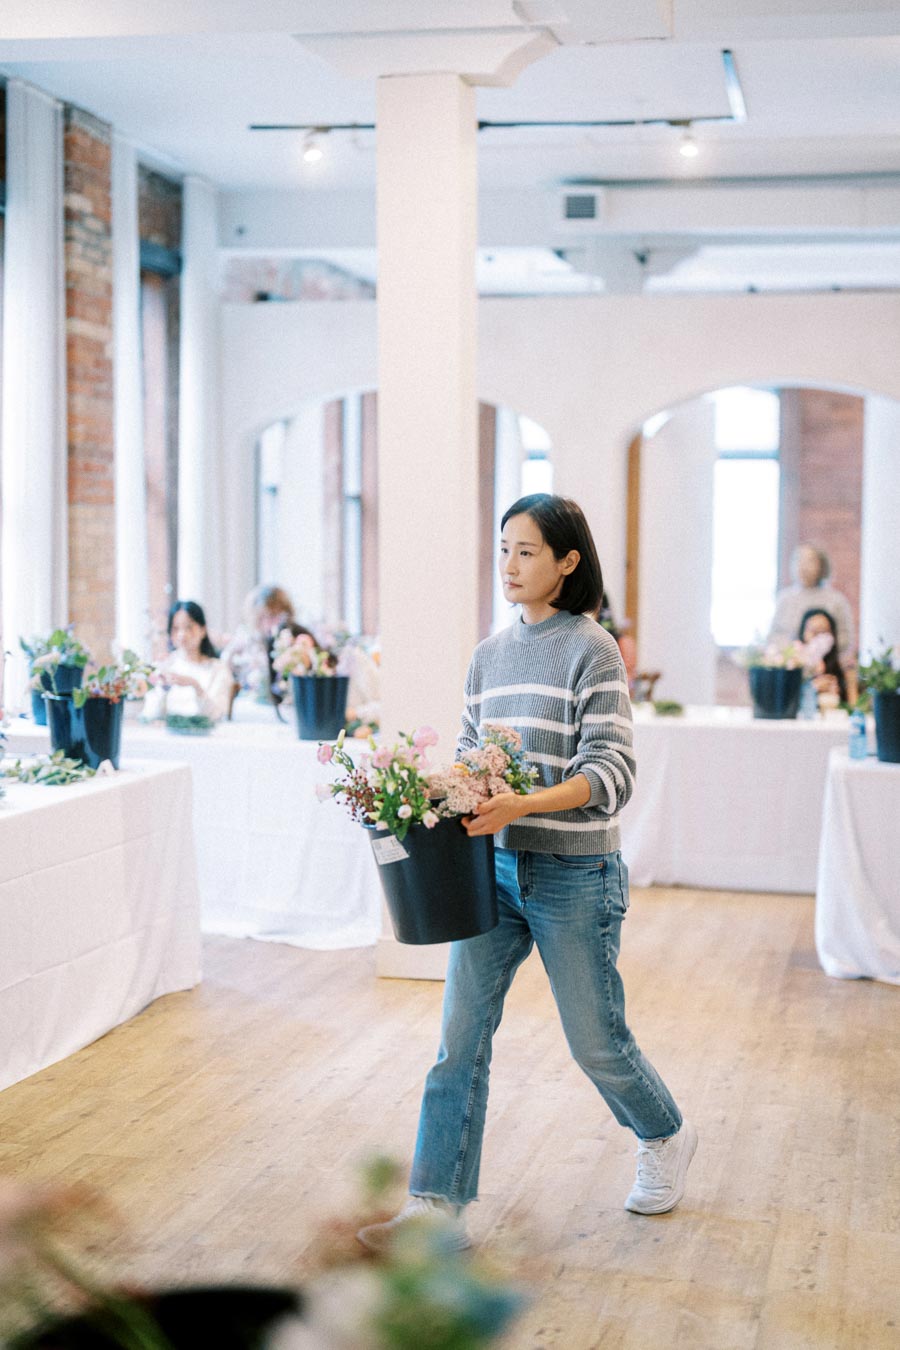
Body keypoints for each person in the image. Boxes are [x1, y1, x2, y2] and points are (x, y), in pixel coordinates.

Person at [358, 493, 696, 1253]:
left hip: (576, 876)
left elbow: (611, 773)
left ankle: (665, 1135)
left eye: (527, 551)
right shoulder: (488, 656)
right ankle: (434, 1206)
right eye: (503, 550)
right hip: (494, 874)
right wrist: (420, 793)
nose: (510, 566)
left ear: (567, 562)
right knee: (458, 1039)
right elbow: (479, 759)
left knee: (596, 1043)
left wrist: (523, 802)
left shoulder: (593, 649)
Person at [141, 600, 233, 722]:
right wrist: (161, 688)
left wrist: (195, 685)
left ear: (203, 630)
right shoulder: (164, 665)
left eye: (189, 627)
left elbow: (216, 715)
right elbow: (150, 715)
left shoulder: (218, 669)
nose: (182, 634)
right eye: (175, 628)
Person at [769, 545, 855, 668]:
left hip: (825, 667)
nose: (803, 565)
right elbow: (774, 636)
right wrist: (794, 651)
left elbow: (845, 639)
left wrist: (818, 649)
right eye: (798, 560)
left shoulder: (836, 600)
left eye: (809, 560)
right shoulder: (784, 599)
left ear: (821, 565)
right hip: (788, 667)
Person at [798, 607, 854, 707]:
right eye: (814, 632)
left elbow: (854, 708)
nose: (819, 638)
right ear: (803, 633)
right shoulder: (794, 664)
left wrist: (849, 684)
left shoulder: (842, 667)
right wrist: (812, 688)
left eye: (823, 632)